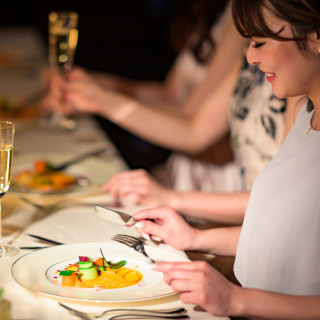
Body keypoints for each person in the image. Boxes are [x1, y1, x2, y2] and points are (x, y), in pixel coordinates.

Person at [127, 0, 320, 318]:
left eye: (260, 41)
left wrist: (235, 300)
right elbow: (284, 234)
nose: (250, 57)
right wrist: (196, 238)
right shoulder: (305, 117)